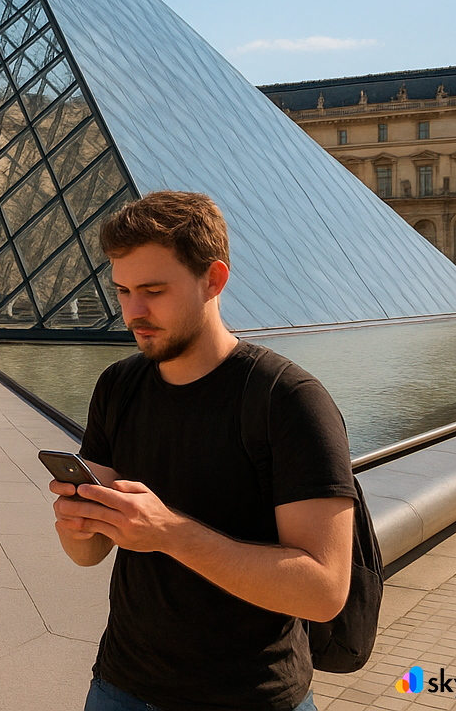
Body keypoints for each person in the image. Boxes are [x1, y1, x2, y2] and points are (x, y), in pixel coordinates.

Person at [50, 192, 355, 711]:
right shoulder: (118, 386)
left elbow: (324, 590)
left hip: (251, 697)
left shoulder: (289, 400)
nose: (133, 312)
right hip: (119, 686)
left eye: (153, 290)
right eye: (122, 290)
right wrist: (77, 523)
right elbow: (89, 554)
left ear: (213, 279)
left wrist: (169, 533)